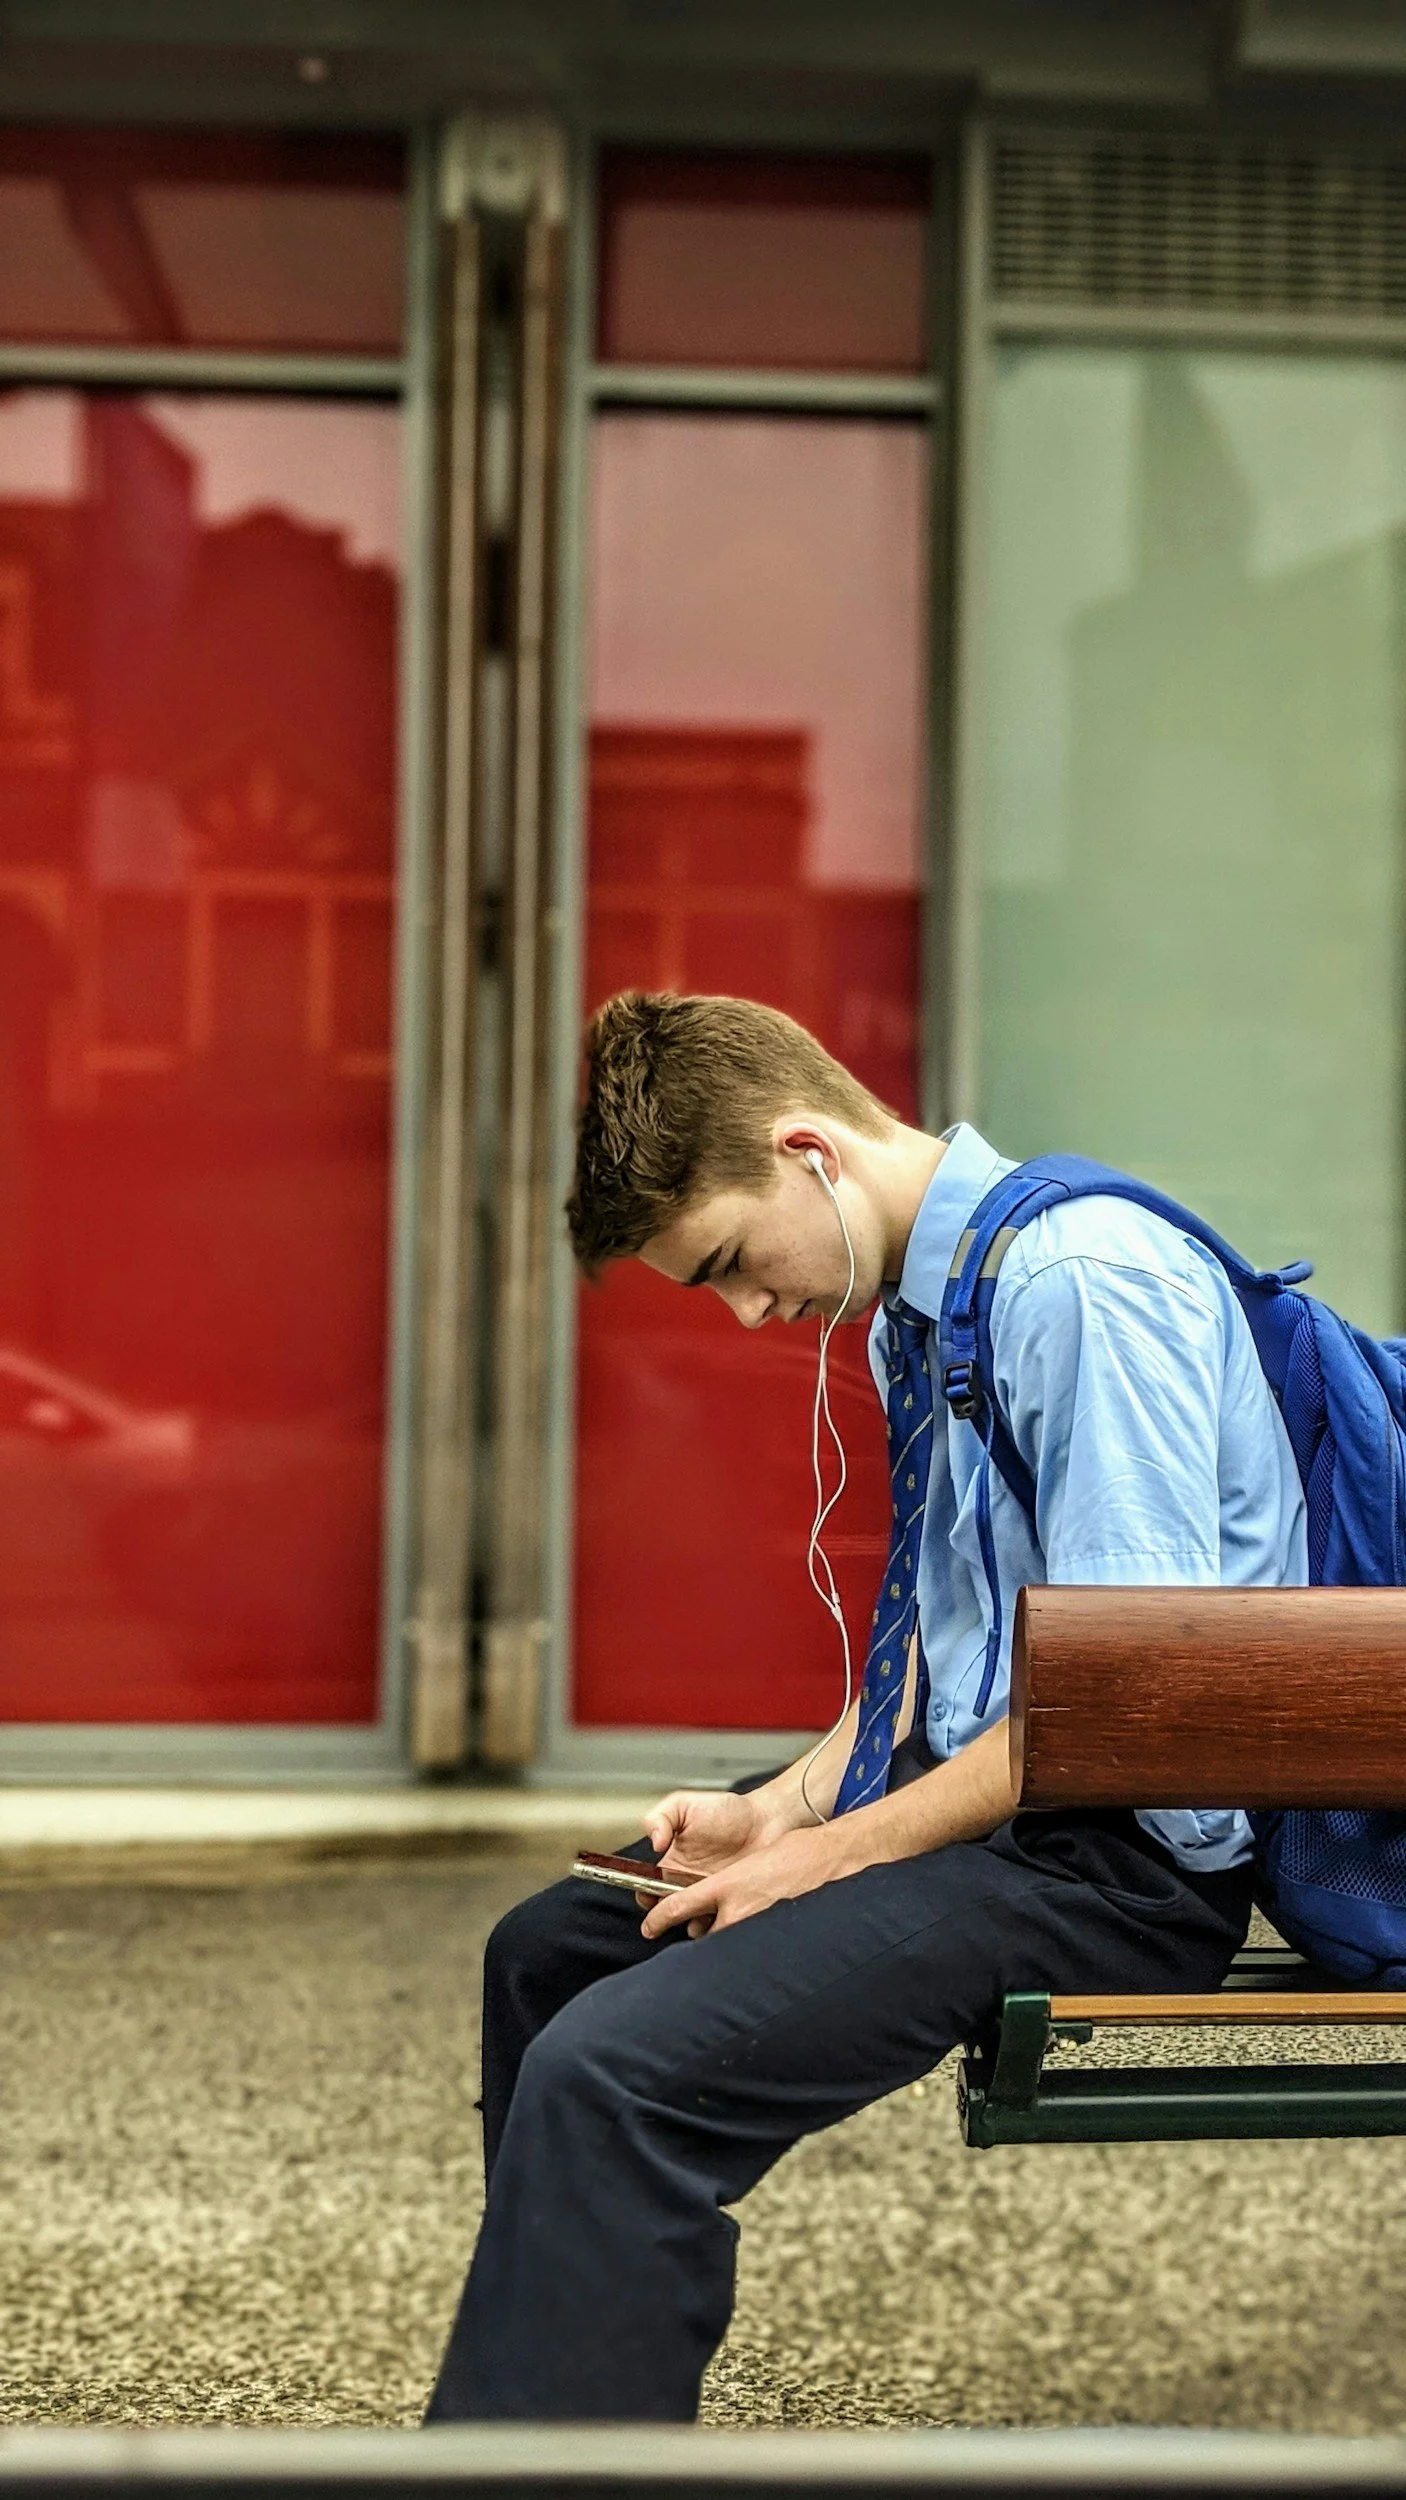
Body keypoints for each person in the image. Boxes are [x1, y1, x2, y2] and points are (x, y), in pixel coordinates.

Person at [425, 989, 1306, 2424]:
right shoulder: (932, 1297)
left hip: (1117, 1855)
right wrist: (780, 1806)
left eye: (726, 1261)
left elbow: (1128, 1700)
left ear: (808, 1152)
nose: (750, 1310)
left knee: (613, 2077)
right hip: (1000, 1802)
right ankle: (548, 2425)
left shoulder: (1075, 1280)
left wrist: (825, 1857)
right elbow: (937, 1645)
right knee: (549, 1958)